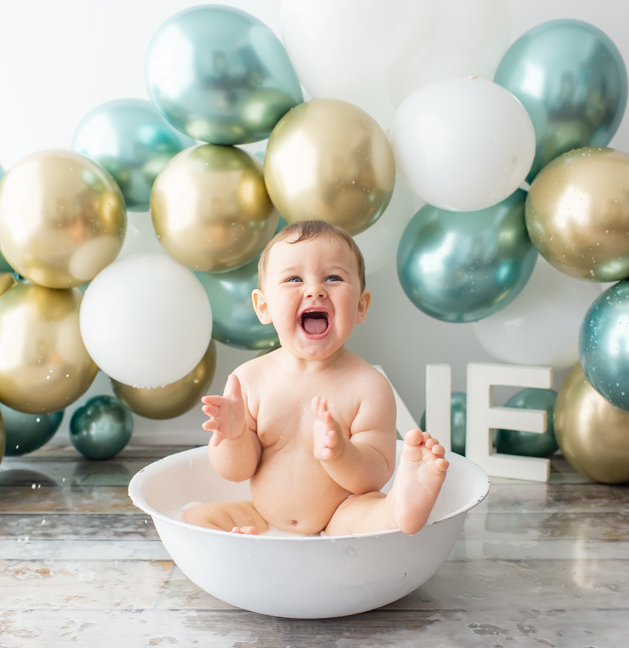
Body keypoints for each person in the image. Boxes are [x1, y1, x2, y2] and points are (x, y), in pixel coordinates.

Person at [184, 220, 448, 536]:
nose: (315, 290)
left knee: (370, 514)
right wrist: (234, 435)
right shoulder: (249, 380)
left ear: (360, 306)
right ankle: (245, 542)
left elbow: (374, 474)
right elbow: (236, 471)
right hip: (264, 517)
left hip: (340, 515)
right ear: (264, 307)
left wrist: (340, 453)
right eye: (294, 279)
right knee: (195, 517)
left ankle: (401, 507)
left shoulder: (368, 387)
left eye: (333, 278)